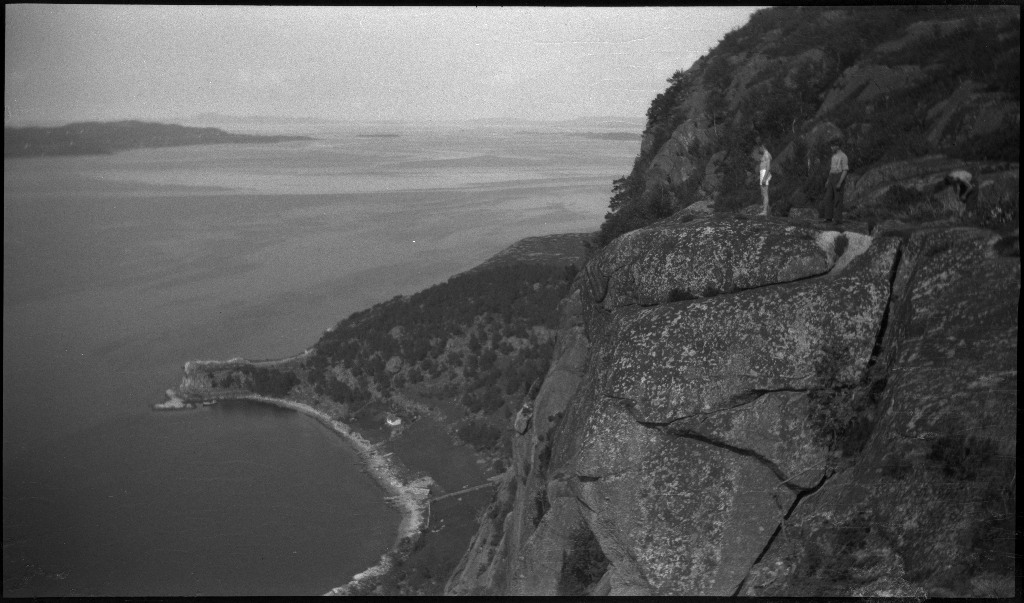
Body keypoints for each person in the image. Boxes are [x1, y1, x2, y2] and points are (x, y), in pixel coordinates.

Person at [820, 139, 849, 223]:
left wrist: (840, 182)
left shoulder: (843, 156)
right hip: (832, 177)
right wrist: (828, 180)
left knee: (838, 199)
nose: (831, 148)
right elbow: (831, 169)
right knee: (828, 198)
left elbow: (845, 170)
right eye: (831, 146)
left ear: (837, 146)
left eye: (833, 146)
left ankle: (837, 219)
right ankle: (828, 217)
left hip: (839, 177)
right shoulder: (833, 156)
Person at [757, 144, 772, 216]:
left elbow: (768, 168)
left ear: (763, 147)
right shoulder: (764, 155)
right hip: (762, 173)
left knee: (765, 193)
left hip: (765, 174)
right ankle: (766, 210)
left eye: (760, 148)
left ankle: (765, 211)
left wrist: (764, 178)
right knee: (763, 193)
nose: (759, 150)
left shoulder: (767, 155)